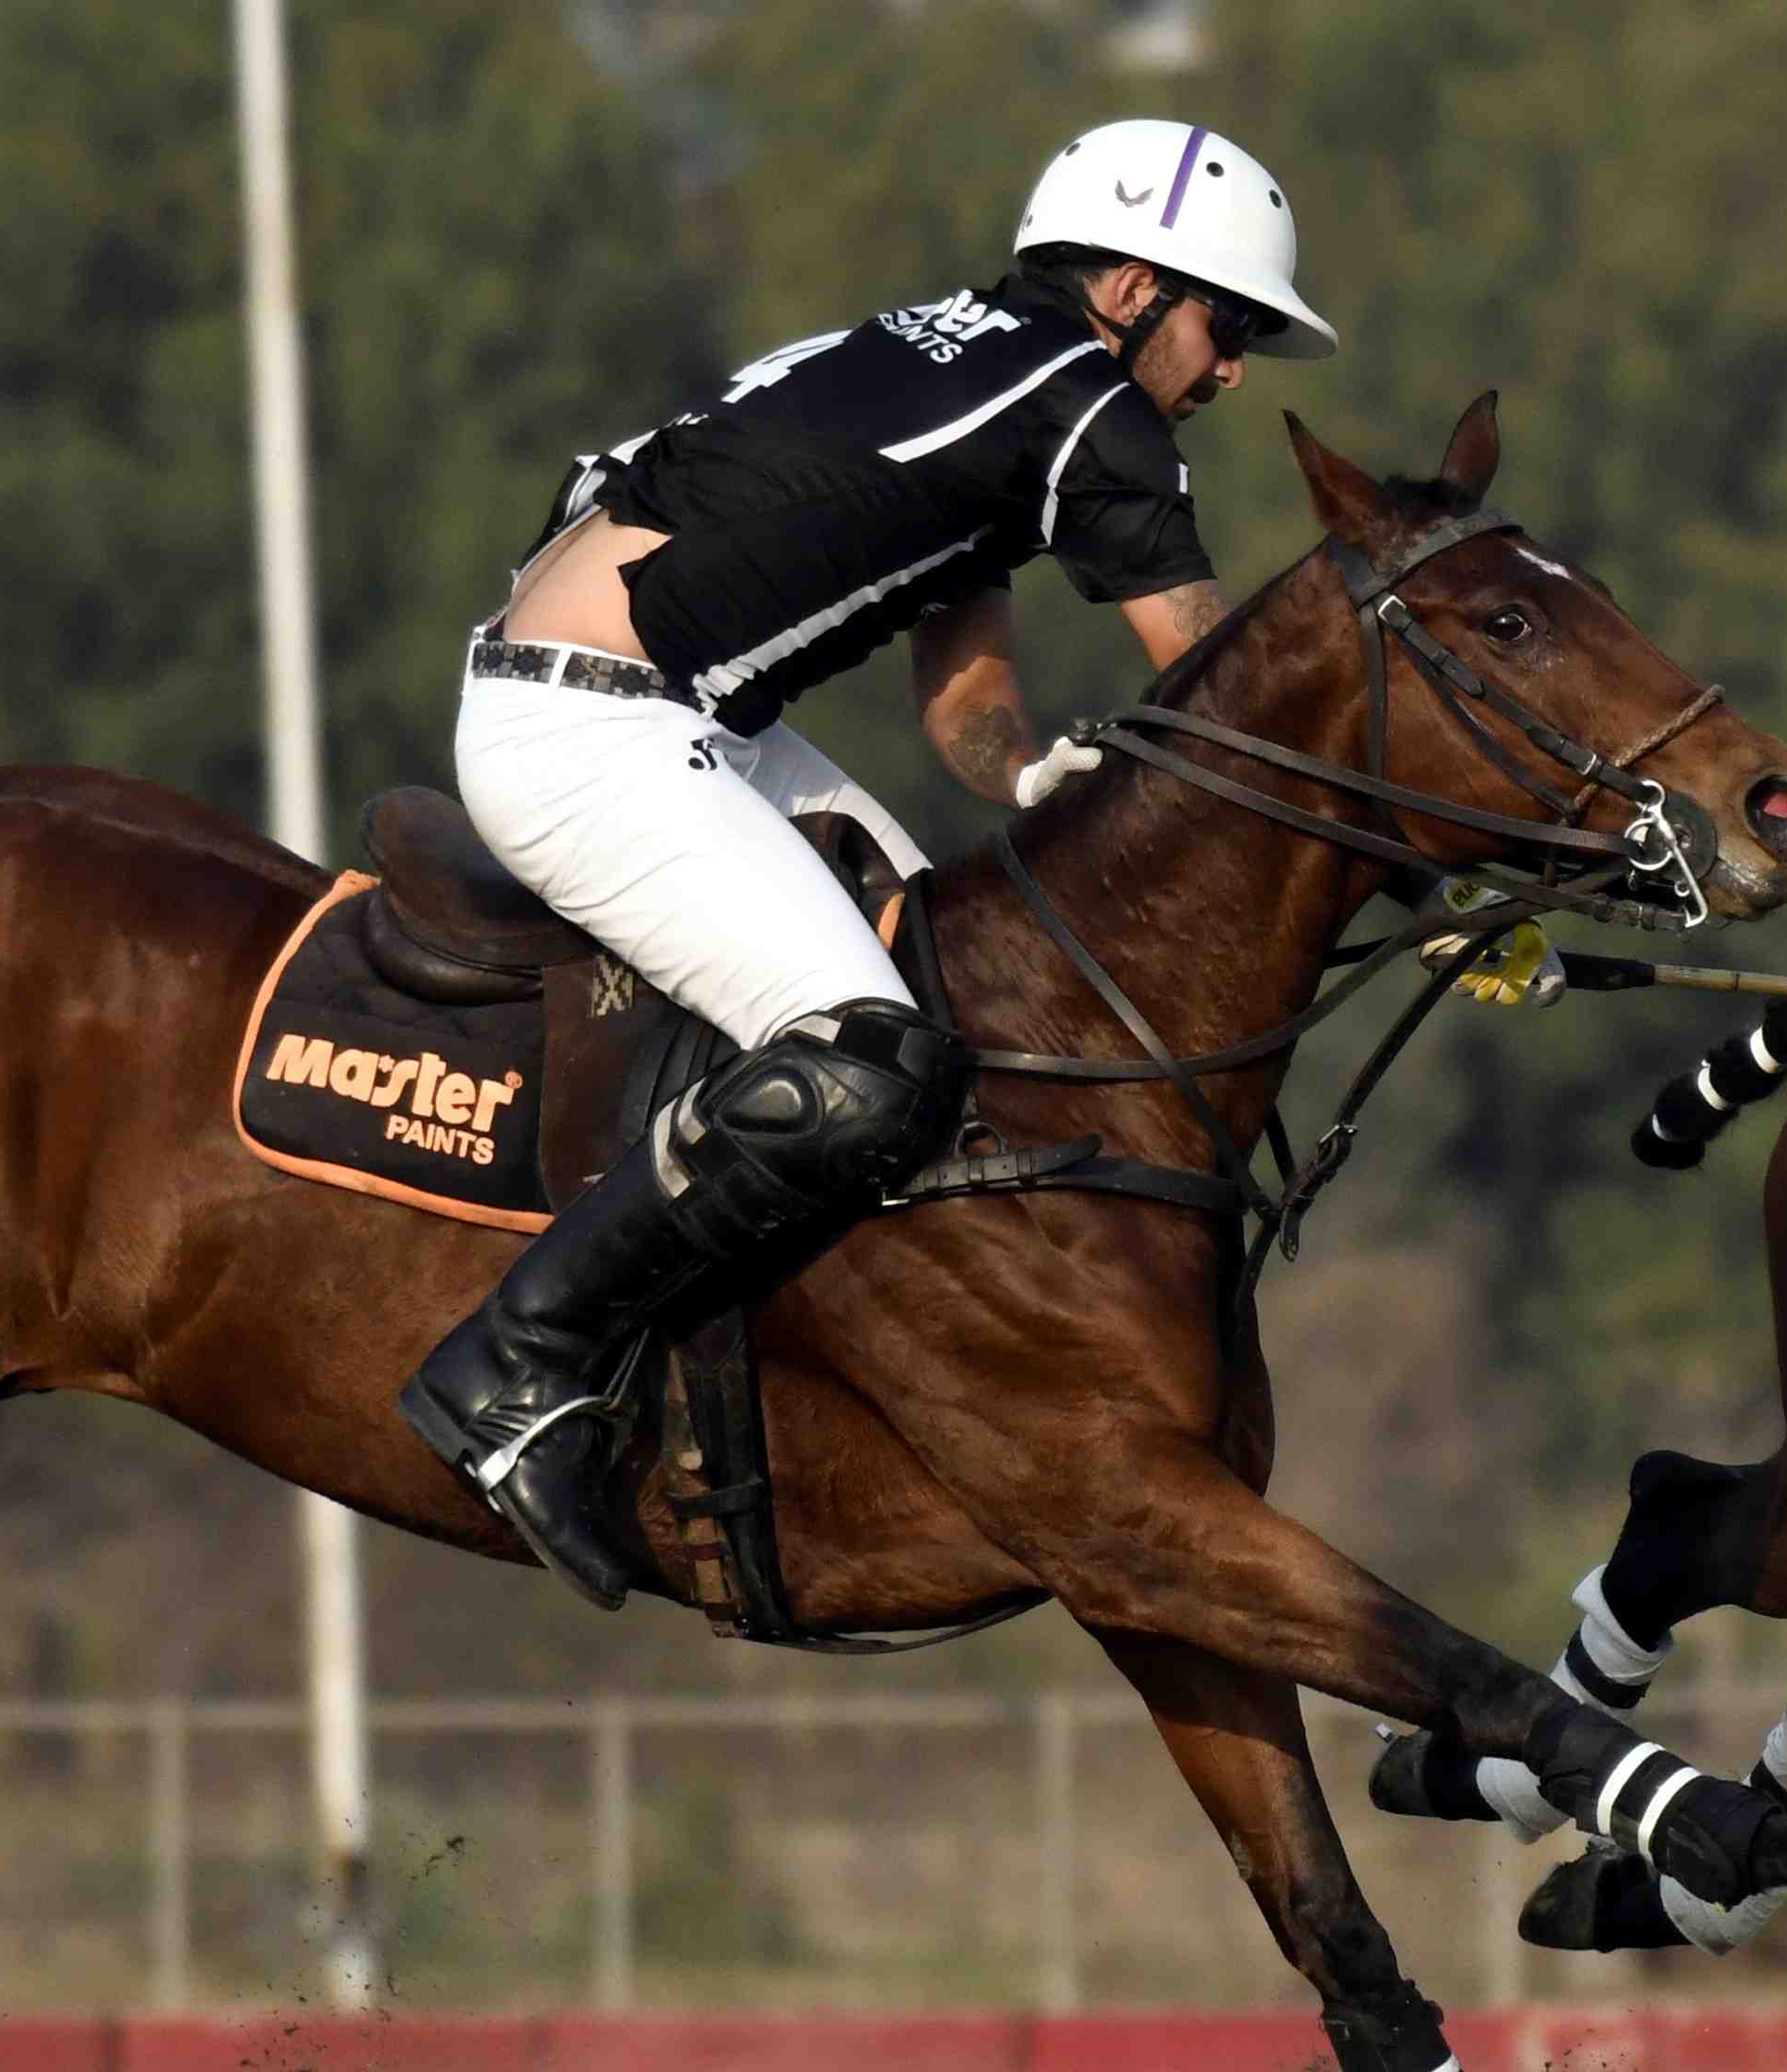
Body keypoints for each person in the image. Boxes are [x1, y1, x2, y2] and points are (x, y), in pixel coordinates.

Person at [397, 120, 1339, 1609]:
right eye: (1230, 328)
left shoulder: (949, 362)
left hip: (655, 711)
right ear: (1128, 287)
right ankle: (515, 1365)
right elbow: (1234, 700)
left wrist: (1029, 774)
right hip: (594, 735)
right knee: (869, 1058)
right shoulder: (1089, 413)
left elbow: (964, 701)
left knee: (958, 1018)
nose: (1230, 376)